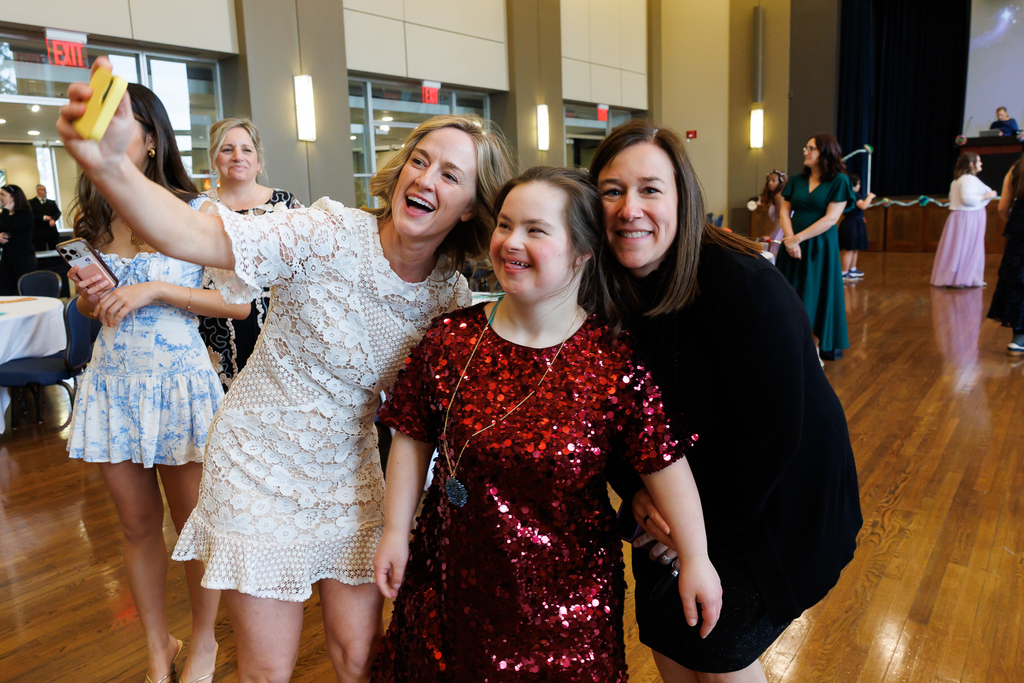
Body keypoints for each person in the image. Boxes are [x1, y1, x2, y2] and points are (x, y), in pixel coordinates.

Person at [57, 57, 515, 682]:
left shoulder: (450, 299)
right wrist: (108, 166)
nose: (426, 177)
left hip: (349, 476)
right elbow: (196, 237)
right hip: (259, 461)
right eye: (420, 159)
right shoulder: (325, 231)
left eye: (450, 174)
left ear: (469, 208)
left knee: (359, 657)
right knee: (266, 670)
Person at [372, 166, 721, 682]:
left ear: (582, 251)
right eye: (505, 225)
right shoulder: (450, 339)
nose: (511, 242)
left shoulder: (611, 361)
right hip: (452, 585)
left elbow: (663, 461)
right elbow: (412, 435)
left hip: (568, 602)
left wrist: (697, 557)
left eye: (535, 230)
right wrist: (396, 531)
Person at [593, 120, 862, 683]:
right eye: (612, 190)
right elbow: (604, 417)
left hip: (770, 503)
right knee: (667, 632)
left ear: (683, 199)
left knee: (716, 652)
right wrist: (639, 494)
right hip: (670, 495)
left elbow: (772, 438)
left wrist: (691, 534)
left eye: (649, 189)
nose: (628, 208)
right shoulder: (598, 289)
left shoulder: (745, 286)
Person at [65, 83, 250, 683]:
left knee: (195, 528)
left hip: (180, 385)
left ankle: (203, 645)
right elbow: (91, 310)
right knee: (136, 526)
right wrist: (93, 301)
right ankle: (155, 646)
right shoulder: (93, 220)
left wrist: (156, 289)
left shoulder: (197, 211)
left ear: (149, 140)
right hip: (114, 385)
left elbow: (237, 304)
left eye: (118, 125)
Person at [196, 117, 303, 390]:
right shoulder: (198, 208)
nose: (237, 157)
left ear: (258, 160)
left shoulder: (285, 205)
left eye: (246, 149)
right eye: (226, 149)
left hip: (279, 327)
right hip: (215, 328)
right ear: (214, 159)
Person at [777, 133, 855, 362]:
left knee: (817, 295)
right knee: (790, 296)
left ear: (825, 153)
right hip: (792, 245)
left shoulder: (840, 181)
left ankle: (814, 353)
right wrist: (790, 238)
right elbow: (784, 211)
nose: (805, 151)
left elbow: (831, 219)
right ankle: (789, 348)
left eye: (811, 148)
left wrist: (798, 239)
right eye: (806, 147)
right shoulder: (796, 180)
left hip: (820, 246)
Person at [930, 152, 997, 288]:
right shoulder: (968, 179)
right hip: (968, 217)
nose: (981, 163)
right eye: (979, 161)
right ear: (972, 164)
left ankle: (965, 277)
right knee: (966, 246)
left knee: (960, 247)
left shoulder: (958, 180)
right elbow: (968, 199)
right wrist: (986, 196)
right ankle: (960, 278)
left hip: (962, 216)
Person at [987, 157, 1024, 355]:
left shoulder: (1015, 169)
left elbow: (1002, 208)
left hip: (1020, 233)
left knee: (1018, 283)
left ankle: (1018, 340)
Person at [0, 184, 36, 295]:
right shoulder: (5, 214)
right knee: (5, 291)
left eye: (2, 194)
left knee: (23, 291)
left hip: (23, 258)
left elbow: (7, 226)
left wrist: (5, 210)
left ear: (13, 197)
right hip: (7, 258)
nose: (0, 197)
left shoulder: (25, 214)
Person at [839, 174, 875, 281]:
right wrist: (869, 197)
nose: (859, 185)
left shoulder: (851, 195)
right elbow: (863, 205)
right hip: (851, 225)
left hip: (855, 223)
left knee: (855, 248)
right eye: (858, 183)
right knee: (850, 249)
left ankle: (853, 269)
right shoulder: (854, 195)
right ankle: (844, 272)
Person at [758, 169, 786, 257]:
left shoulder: (779, 196)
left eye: (773, 181)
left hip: (781, 230)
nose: (770, 183)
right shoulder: (775, 195)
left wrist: (770, 235)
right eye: (769, 181)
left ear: (780, 182)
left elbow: (779, 218)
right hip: (778, 229)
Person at [29, 183, 62, 251]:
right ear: (38, 191)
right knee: (40, 248)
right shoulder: (31, 202)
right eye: (43, 190)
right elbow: (30, 215)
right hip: (38, 231)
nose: (45, 192)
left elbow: (57, 212)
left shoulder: (51, 203)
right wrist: (43, 218)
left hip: (51, 231)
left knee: (54, 248)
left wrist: (53, 219)